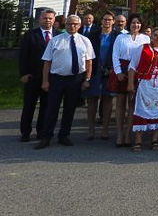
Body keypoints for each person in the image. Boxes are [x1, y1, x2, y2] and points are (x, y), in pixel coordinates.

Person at [33, 15, 94, 149]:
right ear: (65, 25)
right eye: (69, 24)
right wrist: (45, 81)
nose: (72, 26)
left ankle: (64, 135)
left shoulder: (85, 41)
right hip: (57, 79)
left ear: (79, 26)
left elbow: (89, 62)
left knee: (70, 108)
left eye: (75, 24)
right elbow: (47, 62)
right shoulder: (55, 41)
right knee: (52, 108)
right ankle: (46, 137)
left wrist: (87, 79)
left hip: (76, 79)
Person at [127, 26, 158, 152]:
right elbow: (132, 66)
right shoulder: (142, 49)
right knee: (141, 109)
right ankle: (138, 140)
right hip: (145, 85)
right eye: (155, 35)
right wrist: (130, 83)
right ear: (151, 37)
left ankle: (155, 139)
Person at [18, 8, 59, 142]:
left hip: (51, 78)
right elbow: (23, 56)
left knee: (46, 106)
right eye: (45, 18)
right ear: (39, 19)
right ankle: (25, 132)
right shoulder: (30, 35)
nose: (47, 20)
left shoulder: (59, 36)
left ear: (54, 20)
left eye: (50, 18)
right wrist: (24, 73)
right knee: (29, 105)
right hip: (32, 76)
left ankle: (41, 131)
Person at [109, 14, 149, 146]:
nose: (135, 25)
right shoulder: (121, 37)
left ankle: (128, 135)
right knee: (120, 104)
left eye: (138, 23)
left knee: (132, 105)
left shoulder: (145, 38)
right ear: (129, 24)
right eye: (133, 23)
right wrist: (118, 72)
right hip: (122, 70)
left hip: (137, 72)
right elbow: (115, 56)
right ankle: (119, 135)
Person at [83, 12, 114, 141]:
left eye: (109, 20)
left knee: (107, 100)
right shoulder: (92, 36)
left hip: (109, 71)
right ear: (100, 21)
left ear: (113, 22)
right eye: (104, 19)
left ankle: (105, 129)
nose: (107, 22)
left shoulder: (117, 37)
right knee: (92, 100)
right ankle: (91, 129)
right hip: (95, 70)